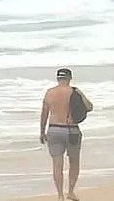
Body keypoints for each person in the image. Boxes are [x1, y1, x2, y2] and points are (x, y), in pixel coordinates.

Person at [40, 68, 93, 201]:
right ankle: (70, 191)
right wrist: (80, 94)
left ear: (58, 78)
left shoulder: (49, 93)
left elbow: (44, 113)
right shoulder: (74, 92)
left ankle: (60, 195)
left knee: (57, 164)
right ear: (69, 78)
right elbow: (89, 107)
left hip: (53, 129)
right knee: (74, 162)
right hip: (71, 130)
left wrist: (42, 131)